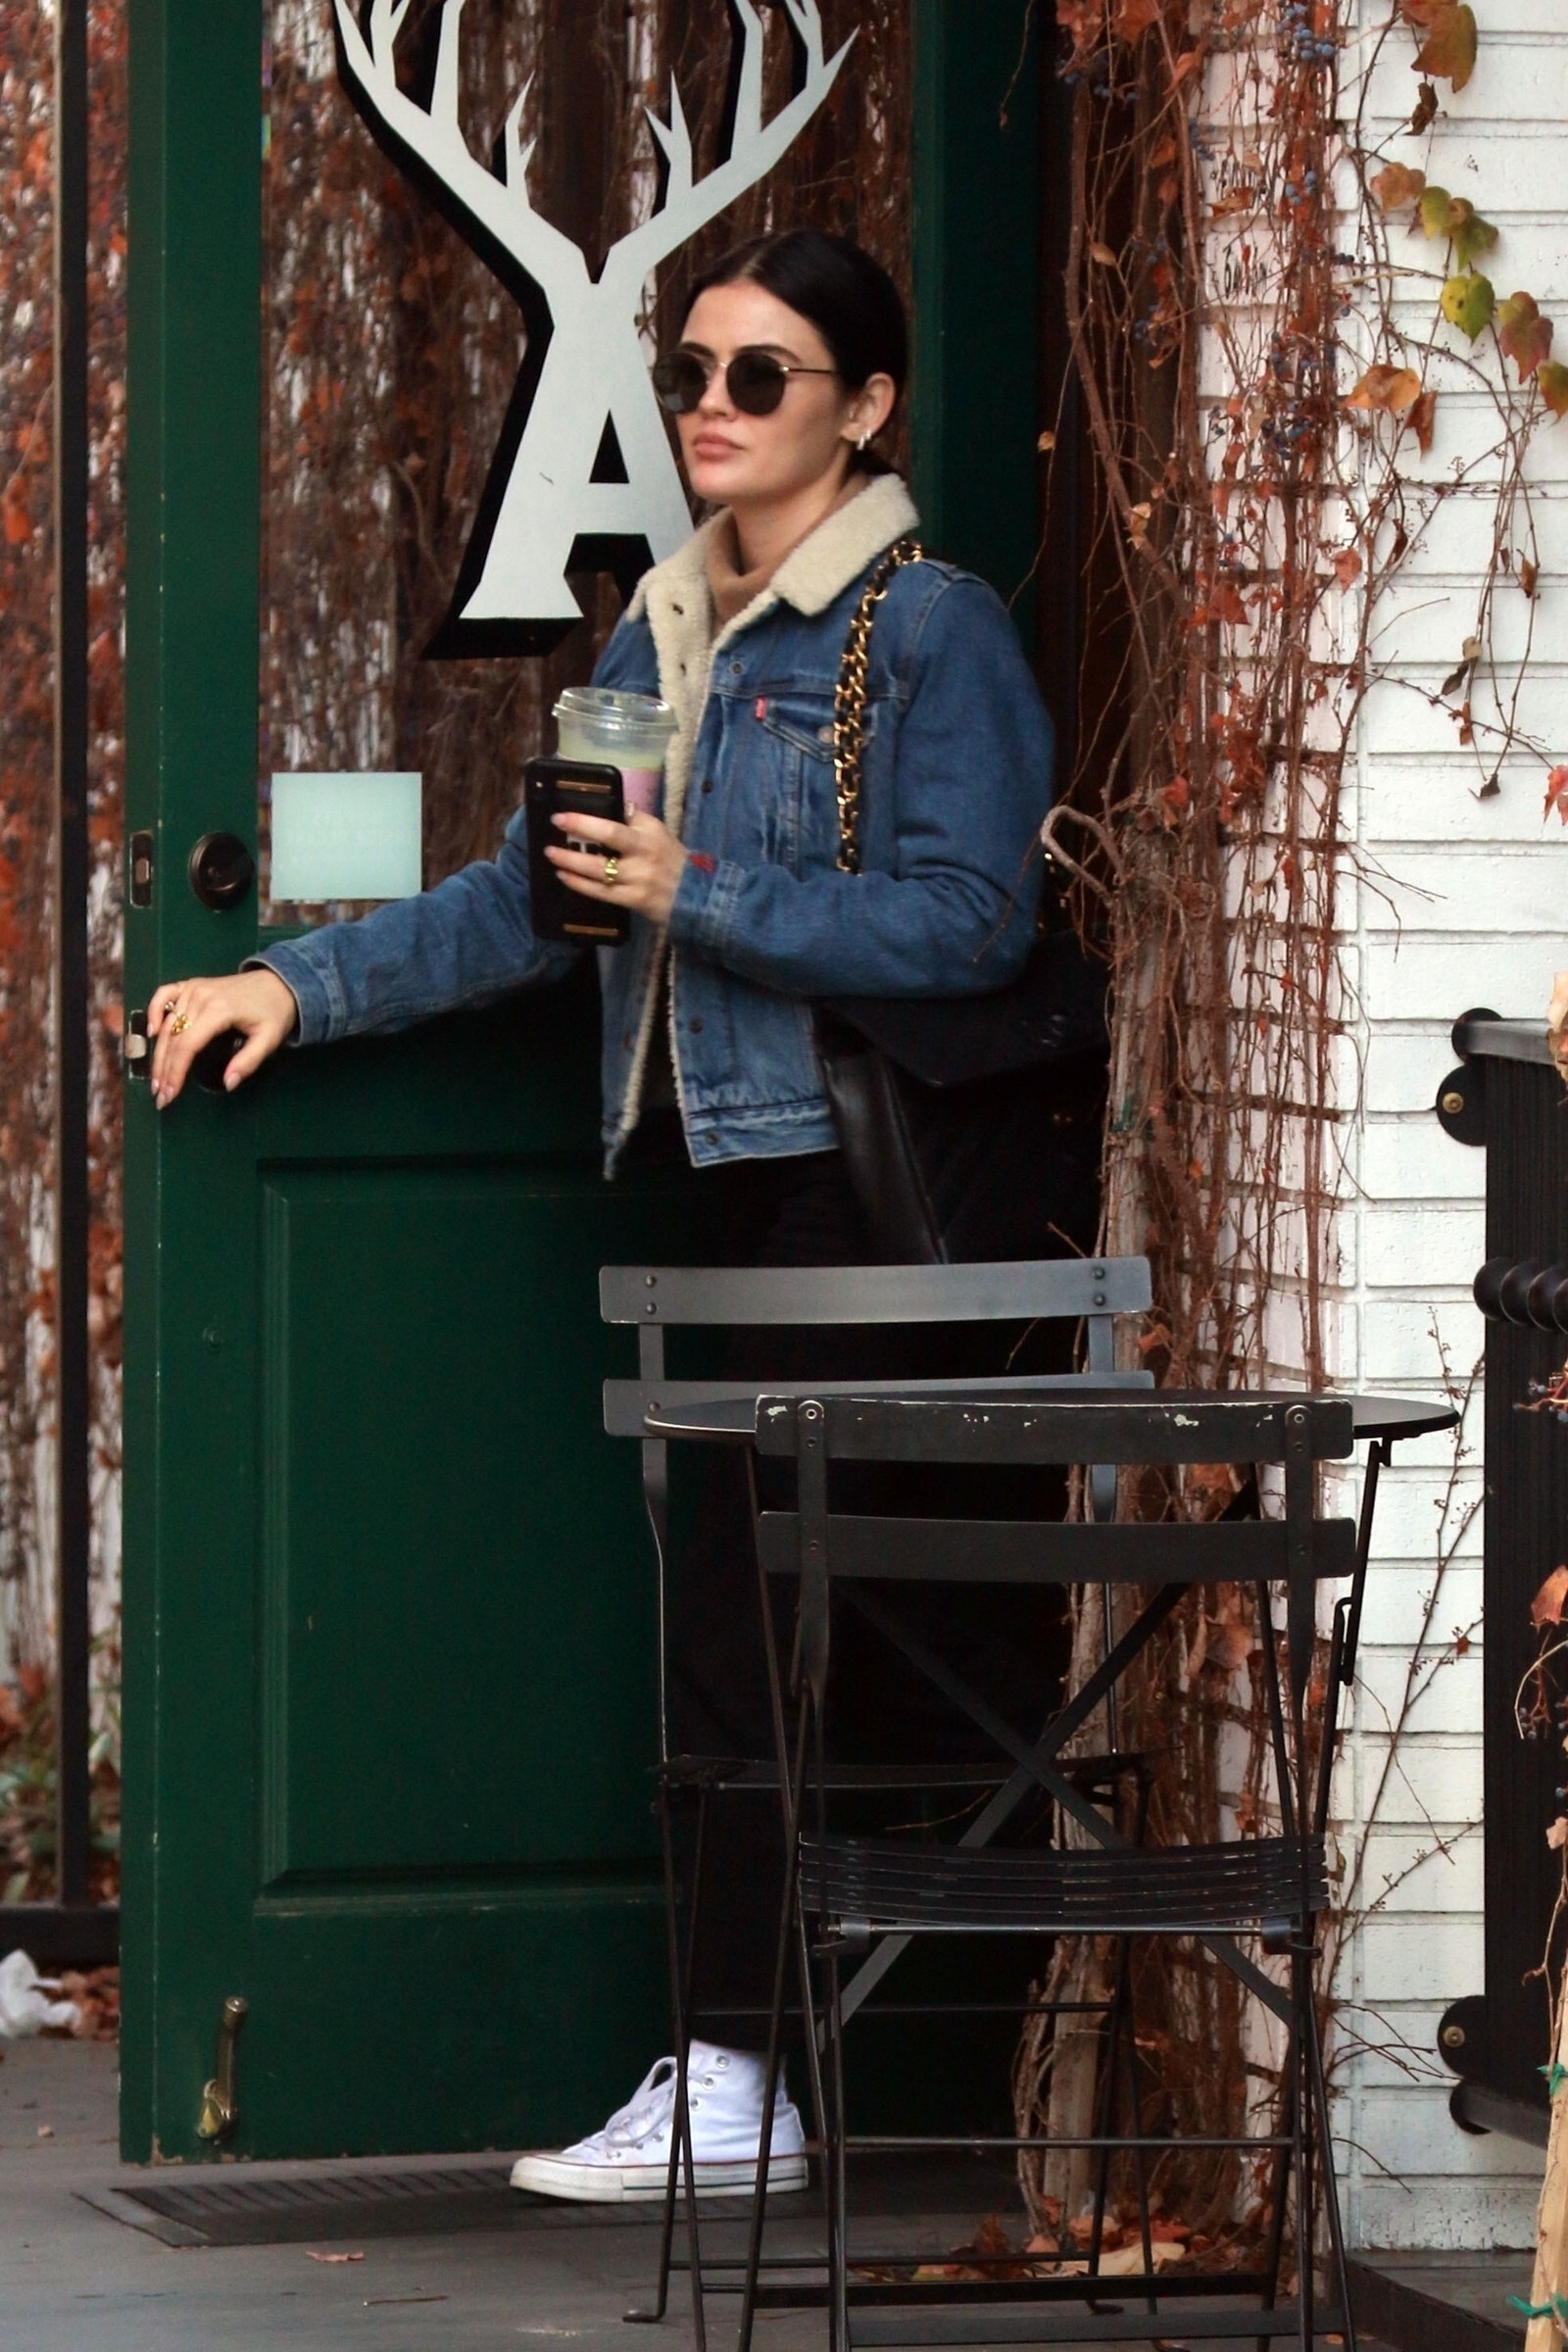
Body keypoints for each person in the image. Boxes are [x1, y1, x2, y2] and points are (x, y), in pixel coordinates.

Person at [147, 228, 1055, 2201]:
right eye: (692, 373)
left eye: (760, 377)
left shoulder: (926, 631)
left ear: (865, 409)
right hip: (696, 1178)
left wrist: (691, 893)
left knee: (818, 1631)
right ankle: (738, 2067)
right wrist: (294, 985)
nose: (711, 409)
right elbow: (529, 901)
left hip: (844, 1198)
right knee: (735, 1632)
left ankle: (768, 2079)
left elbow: (973, 922)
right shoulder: (659, 634)